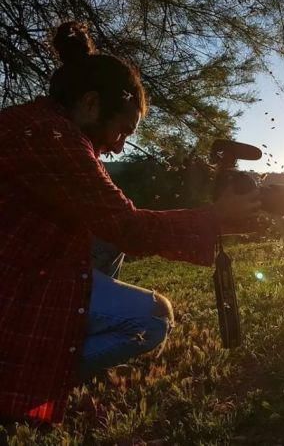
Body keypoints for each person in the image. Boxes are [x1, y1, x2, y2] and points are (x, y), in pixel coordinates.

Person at [0, 21, 260, 425]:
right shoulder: (52, 137)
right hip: (13, 279)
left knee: (106, 242)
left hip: (21, 257)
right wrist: (215, 217)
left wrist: (213, 221)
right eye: (122, 130)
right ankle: (27, 376)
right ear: (89, 105)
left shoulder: (37, 124)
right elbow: (130, 227)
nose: (120, 145)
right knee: (153, 317)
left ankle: (54, 355)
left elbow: (113, 222)